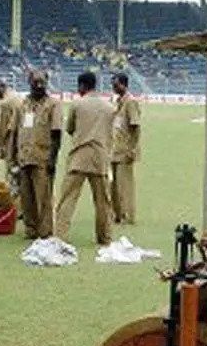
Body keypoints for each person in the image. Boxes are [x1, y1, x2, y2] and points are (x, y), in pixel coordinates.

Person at [55, 71, 115, 245]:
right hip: (100, 157)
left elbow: (70, 128)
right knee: (103, 202)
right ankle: (105, 237)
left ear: (82, 85)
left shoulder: (77, 105)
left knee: (67, 199)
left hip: (79, 156)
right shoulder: (109, 107)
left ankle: (60, 236)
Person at [10, 70, 62, 240]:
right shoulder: (22, 105)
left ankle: (45, 231)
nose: (39, 85)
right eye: (35, 82)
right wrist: (12, 157)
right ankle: (30, 229)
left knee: (44, 197)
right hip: (24, 156)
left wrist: (53, 159)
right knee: (26, 197)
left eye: (42, 82)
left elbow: (56, 133)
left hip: (43, 157)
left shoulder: (53, 104)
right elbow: (15, 132)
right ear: (29, 82)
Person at [109, 72, 142, 225]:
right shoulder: (118, 102)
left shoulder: (131, 102)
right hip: (114, 150)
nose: (114, 87)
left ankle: (128, 215)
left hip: (125, 151)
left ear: (124, 84)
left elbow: (135, 126)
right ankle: (117, 214)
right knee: (114, 185)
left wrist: (132, 149)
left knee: (125, 185)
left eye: (116, 84)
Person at [0, 76, 24, 180]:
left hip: (12, 143)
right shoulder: (18, 97)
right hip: (25, 141)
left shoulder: (5, 103)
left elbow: (2, 129)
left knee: (13, 174)